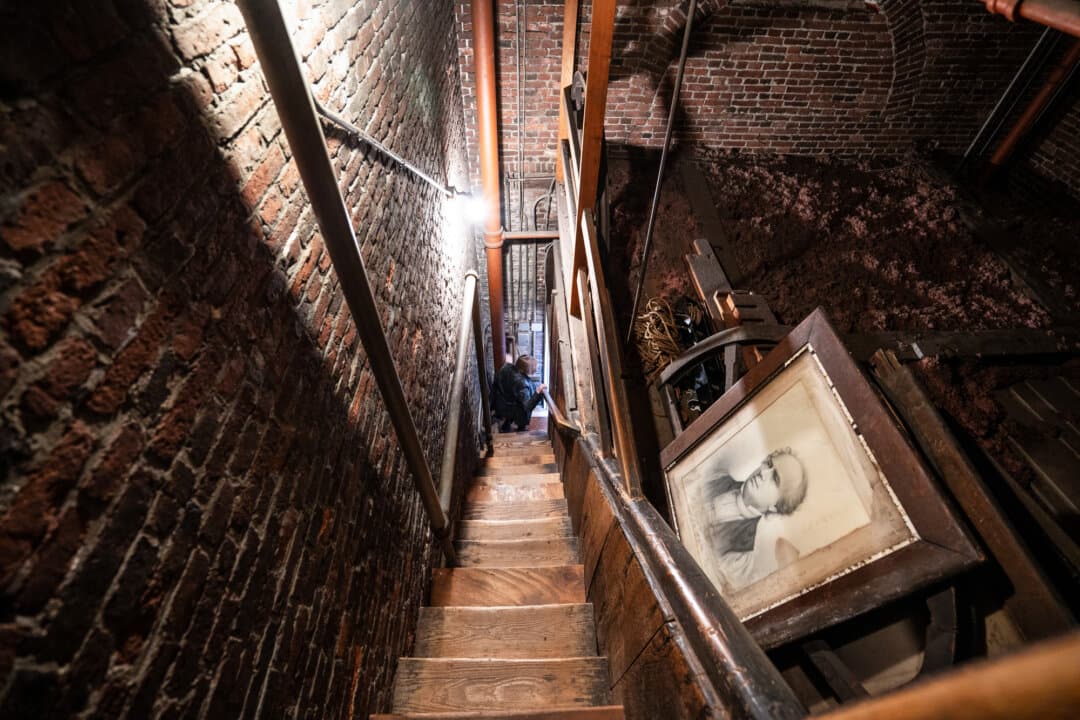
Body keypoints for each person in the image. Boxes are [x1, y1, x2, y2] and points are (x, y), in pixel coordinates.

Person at [700, 448, 808, 588]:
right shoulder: (714, 476)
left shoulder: (740, 557)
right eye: (769, 464)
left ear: (775, 507)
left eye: (775, 478)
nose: (763, 472)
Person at [492, 355, 547, 432]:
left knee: (518, 400)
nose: (536, 368)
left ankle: (506, 425)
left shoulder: (507, 367)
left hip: (500, 401)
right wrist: (538, 391)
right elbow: (528, 406)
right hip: (506, 407)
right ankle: (522, 428)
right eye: (535, 366)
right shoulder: (522, 383)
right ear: (529, 369)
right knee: (523, 410)